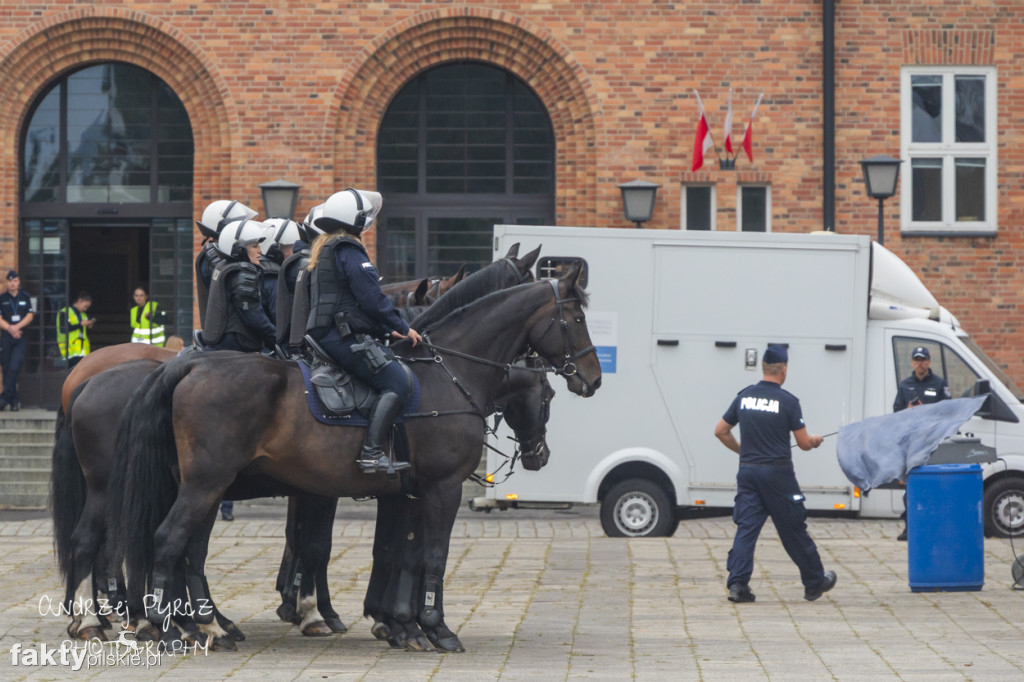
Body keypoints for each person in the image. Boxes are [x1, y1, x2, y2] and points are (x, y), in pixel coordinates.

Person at [306, 188, 423, 474]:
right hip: (343, 336)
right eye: (365, 217)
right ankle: (371, 453)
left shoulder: (327, 247)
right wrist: (402, 326)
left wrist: (387, 329)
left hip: (333, 332)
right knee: (398, 383)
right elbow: (371, 297)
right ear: (354, 219)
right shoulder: (348, 249)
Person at [714, 345, 837, 604]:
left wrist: (742, 452)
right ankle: (815, 582)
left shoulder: (744, 397)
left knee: (746, 529)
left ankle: (737, 585)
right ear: (783, 369)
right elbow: (803, 443)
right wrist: (814, 440)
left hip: (748, 473)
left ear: (764, 368)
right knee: (793, 528)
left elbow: (721, 431)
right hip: (778, 476)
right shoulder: (788, 401)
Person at [892, 345, 950, 540]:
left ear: (929, 362)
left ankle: (934, 528)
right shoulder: (905, 385)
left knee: (934, 486)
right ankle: (910, 528)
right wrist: (908, 410)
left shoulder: (940, 384)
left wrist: (928, 411)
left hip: (933, 443)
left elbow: (947, 412)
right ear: (912, 362)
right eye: (916, 360)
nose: (920, 364)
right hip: (912, 445)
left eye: (923, 360)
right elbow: (896, 412)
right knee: (911, 487)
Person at [201, 218, 276, 354]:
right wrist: (277, 338)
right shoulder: (243, 274)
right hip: (236, 346)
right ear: (238, 249)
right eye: (254, 246)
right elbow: (254, 318)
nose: (260, 251)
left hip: (220, 343)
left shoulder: (224, 266)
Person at [194, 199, 259, 327]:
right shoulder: (217, 257)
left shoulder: (215, 253)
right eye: (239, 224)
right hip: (230, 331)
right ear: (227, 227)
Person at [0, 270, 35, 411]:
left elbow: (30, 315)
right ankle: (13, 401)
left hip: (21, 337)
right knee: (7, 368)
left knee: (15, 367)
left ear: (18, 282)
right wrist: (11, 329)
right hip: (6, 338)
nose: (12, 283)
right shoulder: (2, 298)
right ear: (6, 282)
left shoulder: (25, 297)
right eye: (9, 281)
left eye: (14, 281)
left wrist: (17, 327)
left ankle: (4, 398)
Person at [57, 291, 94, 369]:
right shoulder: (65, 312)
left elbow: (83, 332)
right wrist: (80, 325)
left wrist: (88, 326)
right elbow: (63, 329)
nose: (85, 309)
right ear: (80, 301)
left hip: (82, 352)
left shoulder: (83, 315)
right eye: (85, 306)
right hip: (69, 351)